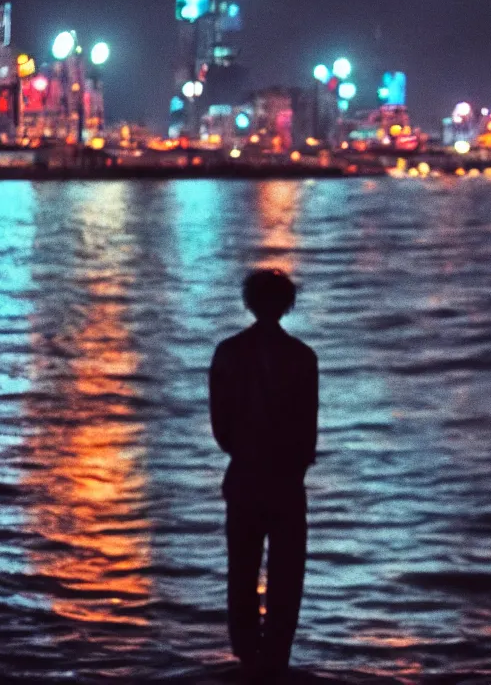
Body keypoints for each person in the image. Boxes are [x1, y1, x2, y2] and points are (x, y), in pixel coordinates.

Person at [209, 269, 318, 680]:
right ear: (287, 305)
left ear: (249, 302)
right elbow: (308, 428)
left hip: (244, 478)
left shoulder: (227, 353)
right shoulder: (303, 357)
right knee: (287, 576)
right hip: (286, 483)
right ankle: (275, 659)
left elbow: (220, 428)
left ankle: (247, 656)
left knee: (242, 569)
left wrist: (247, 450)